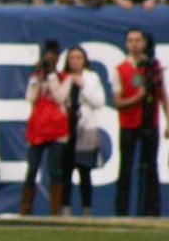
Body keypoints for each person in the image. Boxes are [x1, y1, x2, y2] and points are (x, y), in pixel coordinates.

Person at [112, 28, 169, 216]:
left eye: (138, 40)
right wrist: (137, 98)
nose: (135, 44)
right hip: (128, 124)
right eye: (131, 40)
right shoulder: (121, 69)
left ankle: (151, 211)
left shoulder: (153, 66)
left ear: (144, 43)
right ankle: (122, 211)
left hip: (149, 122)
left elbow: (162, 94)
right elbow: (118, 101)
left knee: (151, 166)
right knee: (126, 167)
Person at [54, 46, 106, 216]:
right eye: (72, 58)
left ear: (84, 60)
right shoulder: (62, 77)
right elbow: (58, 99)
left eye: (79, 57)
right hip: (66, 127)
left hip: (86, 128)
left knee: (85, 170)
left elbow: (99, 101)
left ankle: (86, 208)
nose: (75, 61)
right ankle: (66, 208)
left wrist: (82, 86)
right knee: (66, 170)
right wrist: (68, 83)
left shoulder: (92, 77)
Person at [21, 40, 69, 216]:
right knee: (32, 169)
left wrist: (51, 77)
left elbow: (60, 98)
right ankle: (25, 209)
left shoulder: (64, 77)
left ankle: (55, 212)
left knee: (55, 170)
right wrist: (36, 79)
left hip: (57, 128)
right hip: (38, 127)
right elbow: (30, 97)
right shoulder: (36, 77)